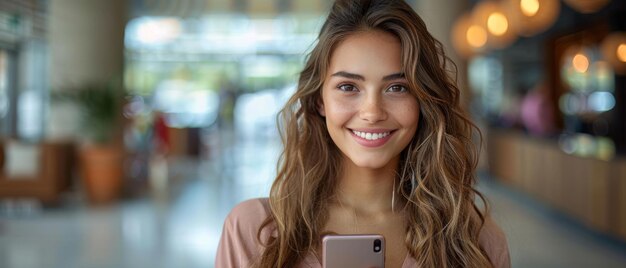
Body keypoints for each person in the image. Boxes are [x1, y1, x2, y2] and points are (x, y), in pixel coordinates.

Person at [216, 0, 510, 267]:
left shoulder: (473, 239)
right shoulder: (253, 230)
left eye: (397, 87)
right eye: (348, 87)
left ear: (422, 101)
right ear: (320, 100)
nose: (372, 112)